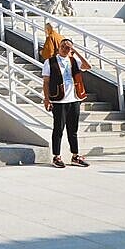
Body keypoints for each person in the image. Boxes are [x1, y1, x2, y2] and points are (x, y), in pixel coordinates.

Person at [43, 38, 92, 169]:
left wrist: (75, 51)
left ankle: (75, 156)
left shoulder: (74, 60)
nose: (65, 49)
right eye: (63, 46)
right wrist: (46, 99)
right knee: (58, 129)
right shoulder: (50, 62)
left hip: (74, 99)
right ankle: (56, 156)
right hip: (58, 100)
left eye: (68, 47)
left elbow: (88, 66)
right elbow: (46, 82)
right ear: (58, 47)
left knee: (73, 130)